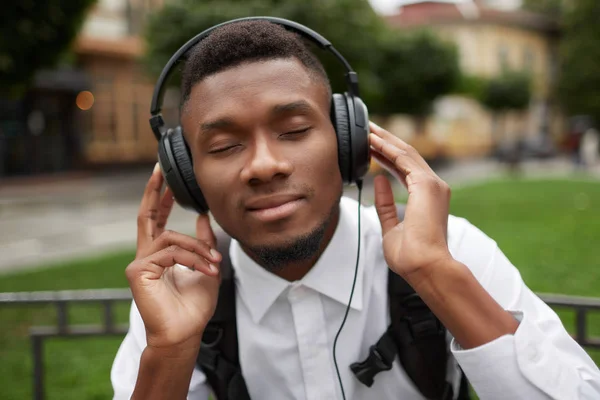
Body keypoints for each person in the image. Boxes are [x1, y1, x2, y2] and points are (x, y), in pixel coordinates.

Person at [111, 19, 600, 400]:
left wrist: (437, 275)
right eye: (223, 146)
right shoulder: (173, 294)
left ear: (349, 142)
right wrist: (170, 351)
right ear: (185, 174)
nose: (263, 166)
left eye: (295, 131)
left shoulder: (451, 248)